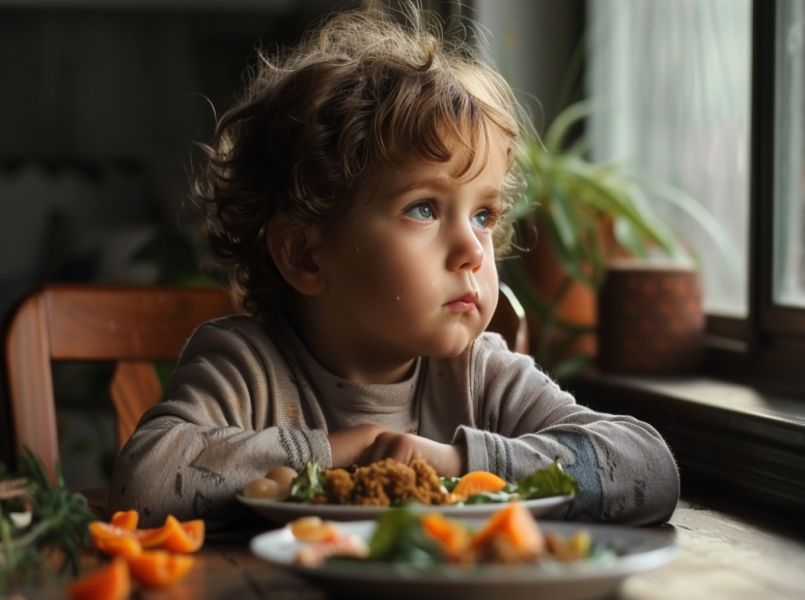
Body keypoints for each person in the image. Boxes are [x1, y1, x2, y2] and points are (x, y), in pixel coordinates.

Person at [109, 2, 679, 529]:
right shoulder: (246, 368)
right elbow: (144, 483)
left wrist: (460, 460)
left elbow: (649, 469)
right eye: (425, 209)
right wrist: (341, 450)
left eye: (483, 215)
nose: (473, 250)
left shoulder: (480, 375)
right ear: (305, 253)